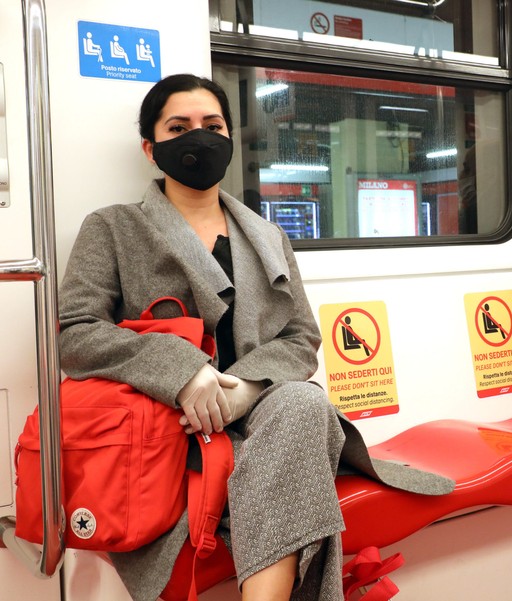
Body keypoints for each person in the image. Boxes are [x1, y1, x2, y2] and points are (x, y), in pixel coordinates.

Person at [58, 74, 452, 601]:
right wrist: (181, 372)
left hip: (263, 416)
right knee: (300, 438)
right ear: (151, 148)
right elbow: (76, 334)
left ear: (229, 138)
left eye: (212, 125)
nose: (199, 137)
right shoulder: (111, 228)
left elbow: (300, 335)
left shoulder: (268, 236)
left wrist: (242, 387)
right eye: (179, 127)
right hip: (169, 429)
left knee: (302, 402)